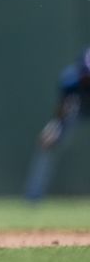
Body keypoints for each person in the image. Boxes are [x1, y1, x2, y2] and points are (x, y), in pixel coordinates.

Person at [25, 46, 90, 201]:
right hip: (77, 110)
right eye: (86, 74)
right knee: (47, 142)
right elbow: (61, 111)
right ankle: (33, 196)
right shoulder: (70, 81)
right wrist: (55, 129)